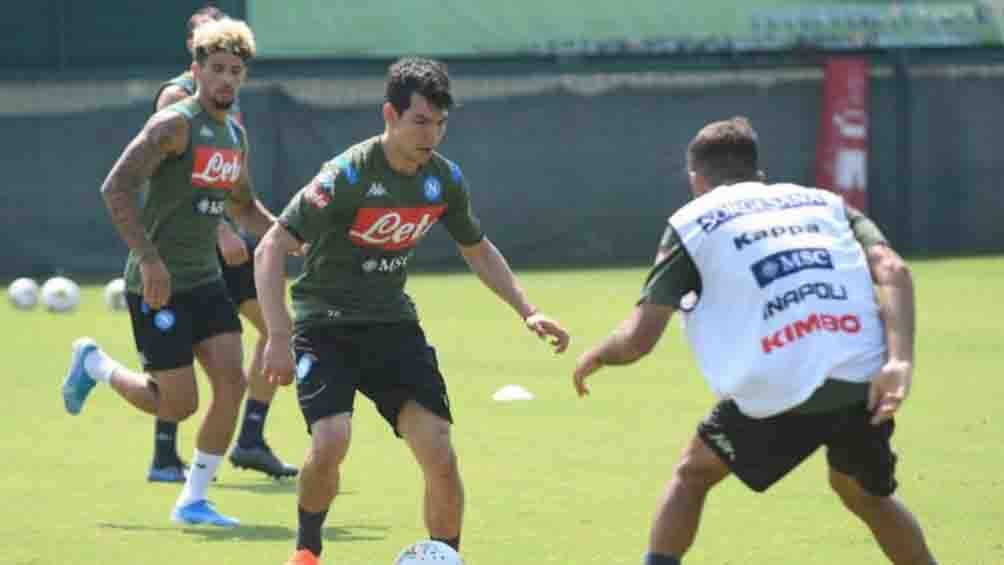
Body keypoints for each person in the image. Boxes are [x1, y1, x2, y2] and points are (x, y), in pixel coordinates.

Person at [573, 117, 937, 564]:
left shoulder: (693, 222)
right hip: (863, 377)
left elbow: (638, 340)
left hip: (782, 383)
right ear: (757, 171)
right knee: (863, 493)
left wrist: (597, 354)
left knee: (693, 473)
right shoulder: (825, 203)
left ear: (696, 178)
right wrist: (899, 362)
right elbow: (894, 270)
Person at [254, 57, 571, 565]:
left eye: (441, 124)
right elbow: (270, 247)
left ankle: (446, 557)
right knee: (331, 440)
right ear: (390, 115)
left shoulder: (443, 180)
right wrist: (276, 334)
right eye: (421, 121)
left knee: (439, 450)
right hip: (325, 326)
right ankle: (308, 549)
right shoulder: (345, 175)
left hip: (392, 327)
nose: (432, 135)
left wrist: (526, 310)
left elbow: (477, 247)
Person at [61, 17, 272, 528]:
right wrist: (150, 259)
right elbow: (115, 187)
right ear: (196, 70)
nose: (226, 79)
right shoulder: (173, 125)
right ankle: (96, 366)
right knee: (176, 405)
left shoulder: (234, 135)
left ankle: (193, 500)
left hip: (205, 281)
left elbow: (244, 208)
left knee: (231, 381)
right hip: (157, 286)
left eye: (235, 71)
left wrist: (293, 235)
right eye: (217, 68)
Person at [145, 4, 297, 483]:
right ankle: (165, 452)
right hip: (193, 244)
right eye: (214, 52)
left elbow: (231, 185)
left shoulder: (229, 107)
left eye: (235, 62)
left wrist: (277, 233)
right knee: (185, 356)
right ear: (196, 53)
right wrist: (221, 230)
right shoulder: (177, 97)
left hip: (226, 236)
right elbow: (172, 181)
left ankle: (249, 437)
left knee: (276, 328)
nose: (227, 67)